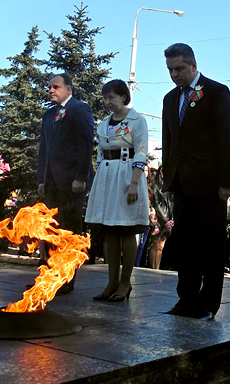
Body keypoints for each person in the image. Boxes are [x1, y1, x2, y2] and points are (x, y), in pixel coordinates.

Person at [161, 43, 230, 321]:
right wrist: (169, 180)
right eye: (170, 69)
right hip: (181, 183)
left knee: (211, 243)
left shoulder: (216, 92)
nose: (174, 74)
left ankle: (209, 302)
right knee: (185, 243)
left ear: (193, 65)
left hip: (210, 184)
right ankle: (187, 298)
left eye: (179, 68)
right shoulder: (170, 99)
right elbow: (169, 141)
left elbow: (228, 139)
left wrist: (227, 180)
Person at [85, 79, 149, 302]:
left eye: (111, 97)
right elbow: (100, 154)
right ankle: (111, 281)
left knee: (126, 228)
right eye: (105, 98)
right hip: (107, 177)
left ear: (123, 96)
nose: (107, 102)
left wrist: (133, 183)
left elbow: (141, 152)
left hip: (127, 174)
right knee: (110, 229)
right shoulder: (103, 124)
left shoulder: (136, 120)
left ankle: (125, 282)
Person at [37, 73, 95, 294]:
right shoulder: (49, 114)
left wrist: (80, 177)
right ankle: (50, 278)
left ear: (68, 90)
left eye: (56, 86)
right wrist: (42, 179)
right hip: (51, 182)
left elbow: (85, 144)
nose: (51, 90)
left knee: (68, 230)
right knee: (51, 228)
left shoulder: (79, 109)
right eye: (49, 87)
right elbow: (45, 149)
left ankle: (66, 279)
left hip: (72, 182)